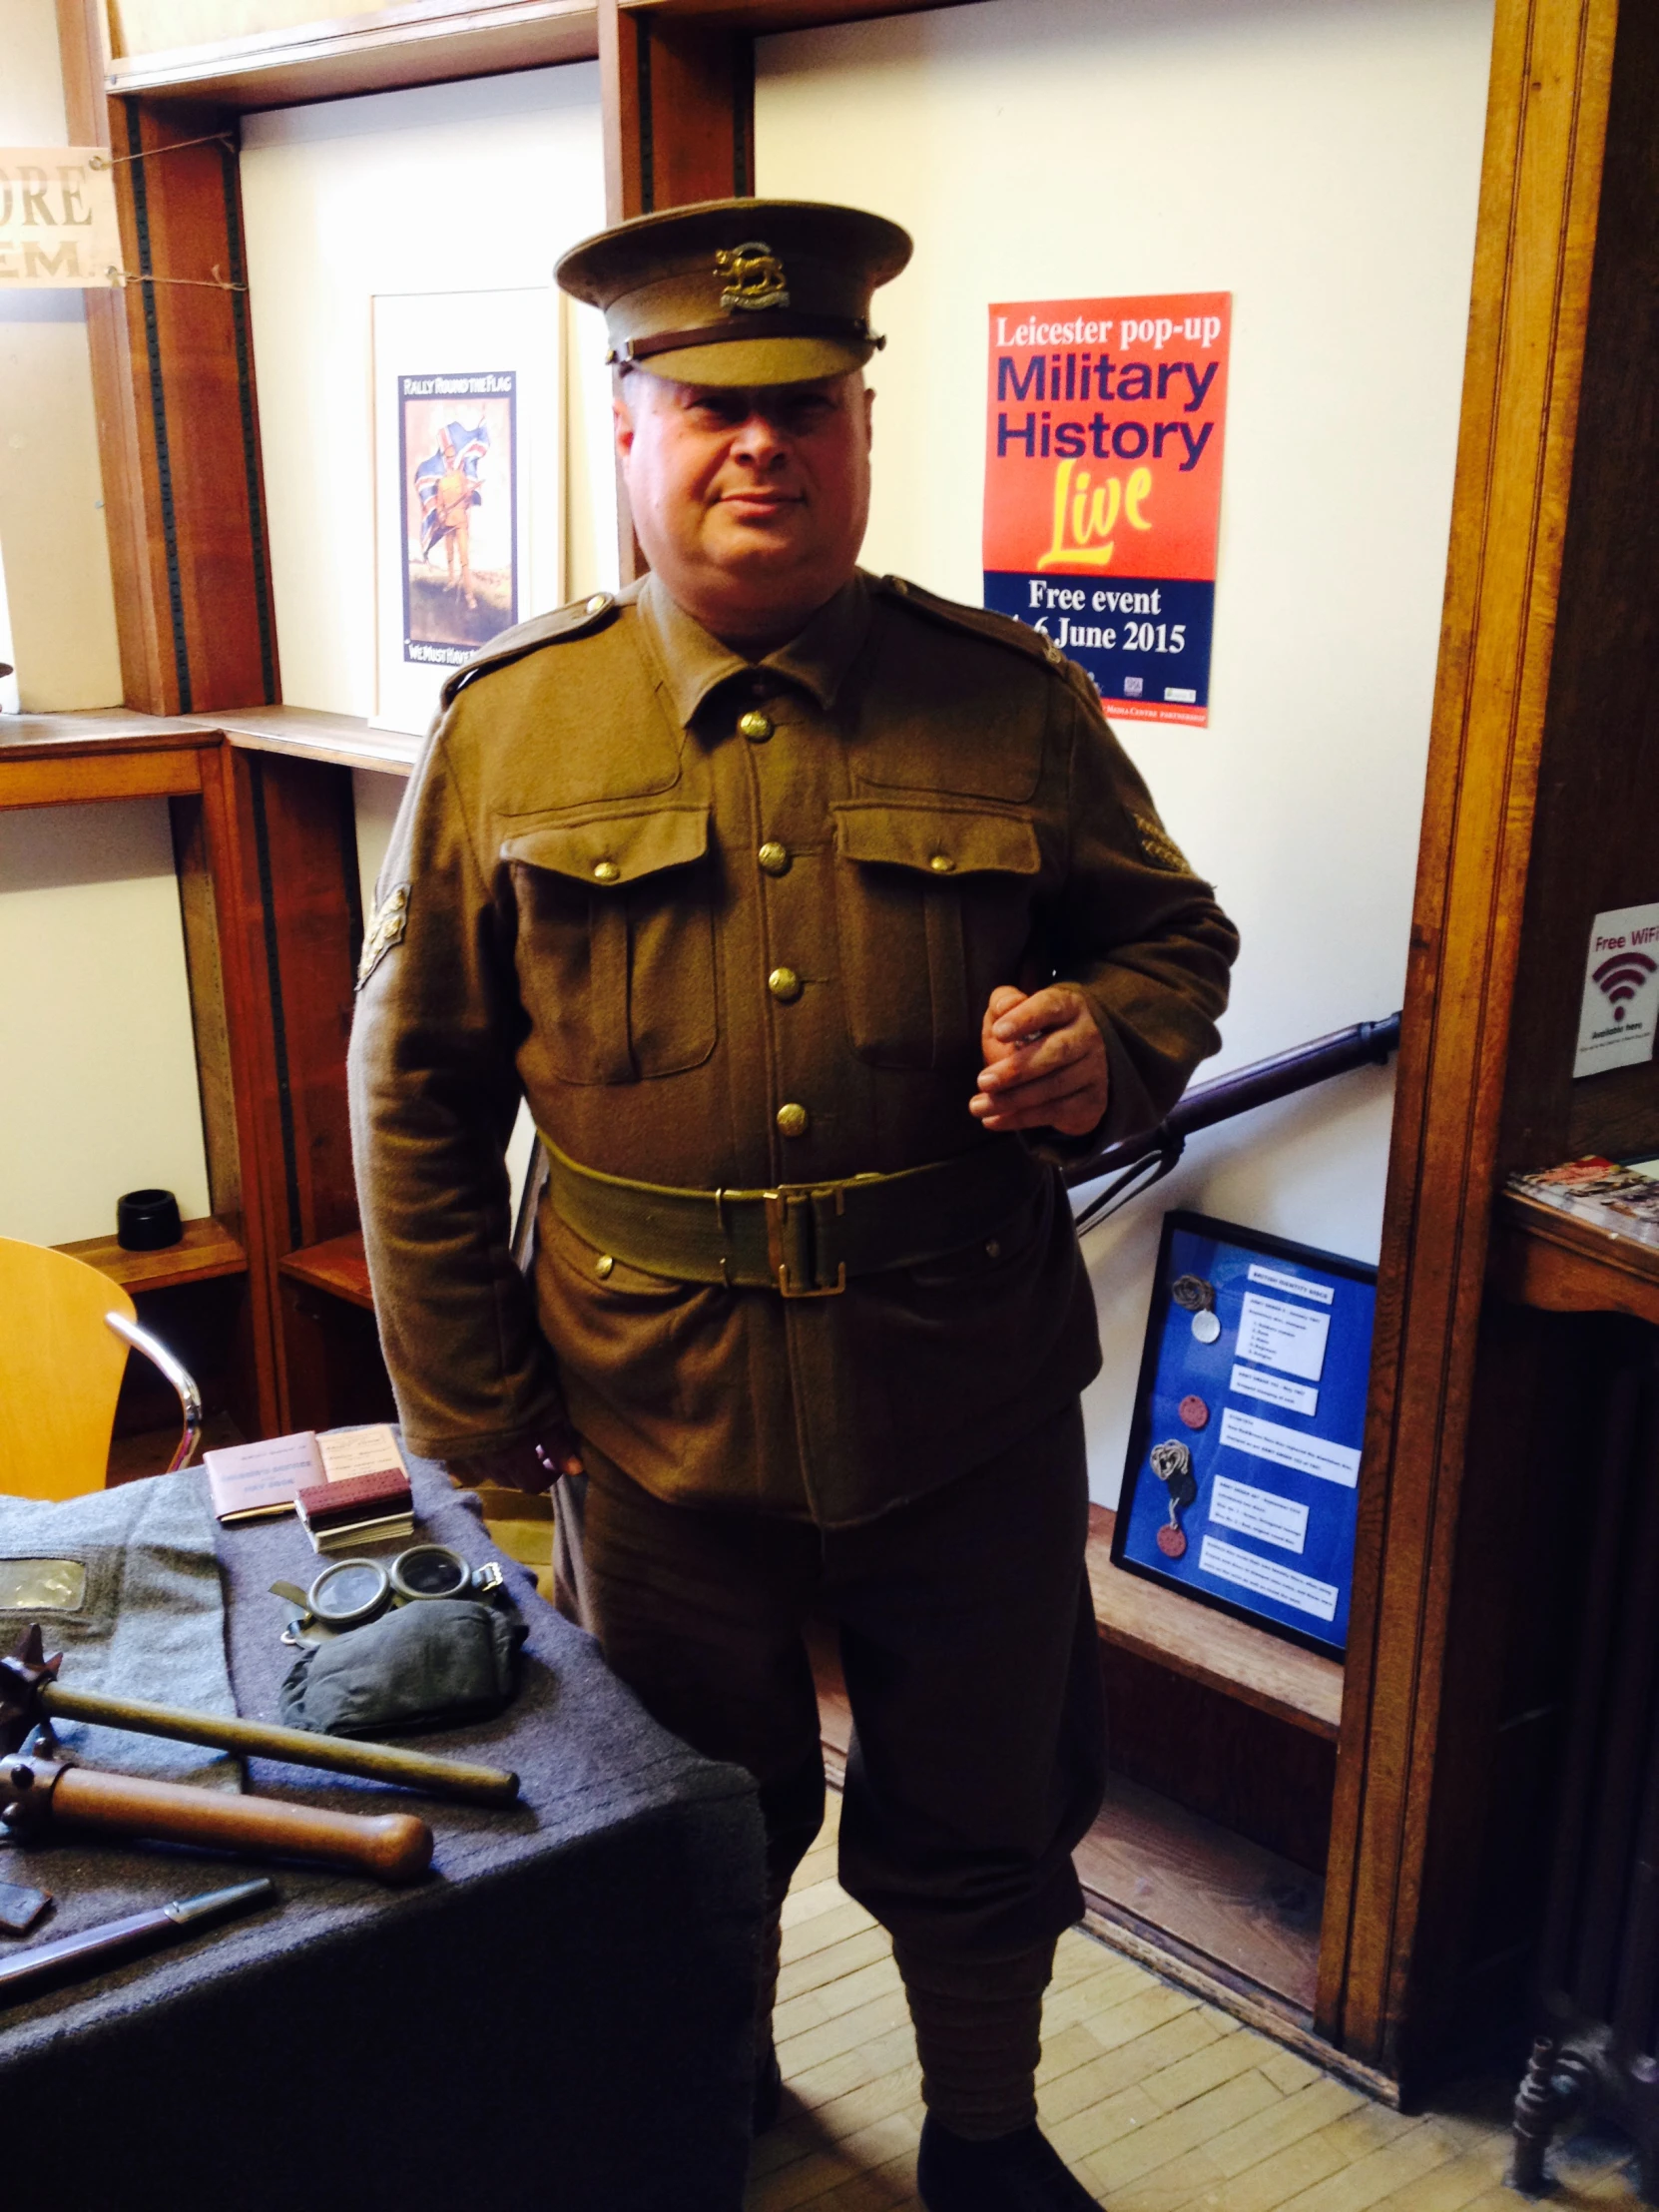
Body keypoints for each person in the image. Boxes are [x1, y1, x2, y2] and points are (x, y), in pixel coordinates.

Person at [348, 197, 1238, 2212]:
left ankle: (989, 2131)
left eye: (810, 406)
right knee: (696, 1806)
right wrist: (473, 1412)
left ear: (858, 423)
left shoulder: (1002, 696)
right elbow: (416, 1088)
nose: (766, 443)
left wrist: (1111, 1038)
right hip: (653, 1410)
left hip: (966, 1387)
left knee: (990, 1799)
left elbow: (1171, 936)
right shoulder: (514, 724)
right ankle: (717, 2084)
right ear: (632, 431)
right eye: (718, 406)